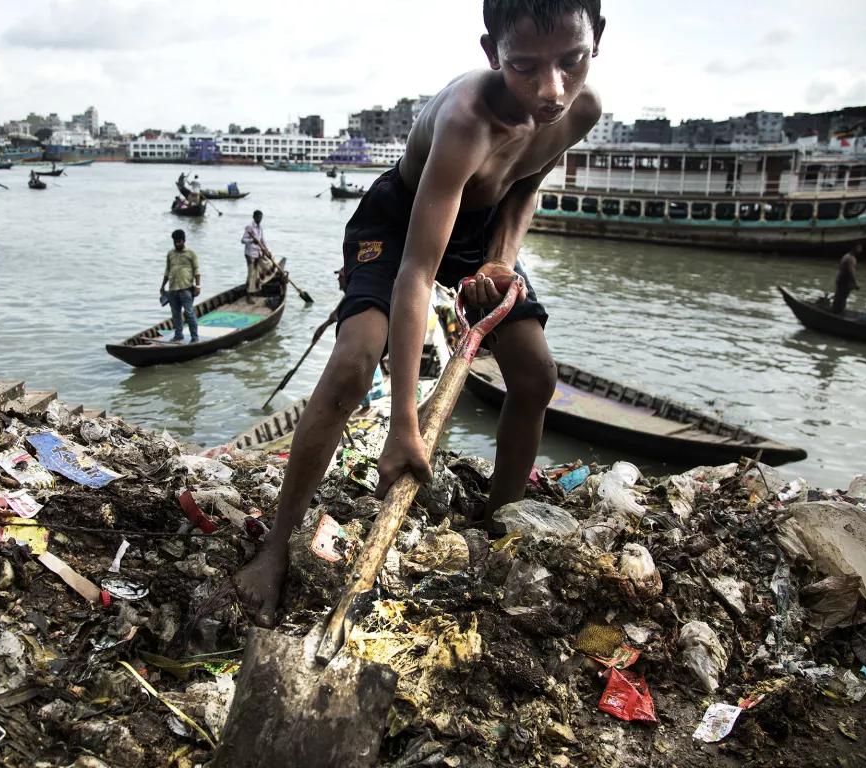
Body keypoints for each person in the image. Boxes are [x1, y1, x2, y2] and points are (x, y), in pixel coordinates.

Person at [234, 0, 605, 627]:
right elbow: (415, 275)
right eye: (525, 68)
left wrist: (501, 260)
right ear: (491, 54)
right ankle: (274, 549)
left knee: (537, 377)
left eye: (572, 61)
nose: (551, 89)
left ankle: (498, 528)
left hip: (479, 230)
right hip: (399, 225)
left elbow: (526, 182)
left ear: (597, 41)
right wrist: (403, 423)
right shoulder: (466, 120)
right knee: (354, 364)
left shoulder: (582, 107)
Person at [159, 229, 201, 343]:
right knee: (175, 314)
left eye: (179, 241)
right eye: (175, 242)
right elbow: (167, 270)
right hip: (173, 289)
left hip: (186, 289)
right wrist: (162, 286)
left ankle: (194, 337)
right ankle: (178, 335)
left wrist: (198, 286)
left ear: (184, 240)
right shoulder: (170, 254)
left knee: (189, 313)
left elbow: (197, 270)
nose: (177, 244)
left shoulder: (191, 253)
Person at [241, 209, 266, 293]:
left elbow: (262, 240)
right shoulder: (250, 227)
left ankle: (255, 290)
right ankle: (248, 294)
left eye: (261, 217)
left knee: (256, 273)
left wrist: (266, 250)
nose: (260, 219)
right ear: (254, 217)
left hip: (258, 253)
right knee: (251, 273)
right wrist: (252, 241)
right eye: (258, 217)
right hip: (250, 253)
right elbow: (243, 240)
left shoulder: (260, 227)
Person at [832, 244, 861, 314]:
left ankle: (836, 311)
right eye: (859, 248)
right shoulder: (850, 258)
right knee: (841, 298)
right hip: (844, 282)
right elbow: (850, 271)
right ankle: (837, 313)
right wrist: (855, 283)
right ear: (854, 248)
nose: (860, 250)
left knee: (840, 297)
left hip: (842, 280)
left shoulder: (848, 257)